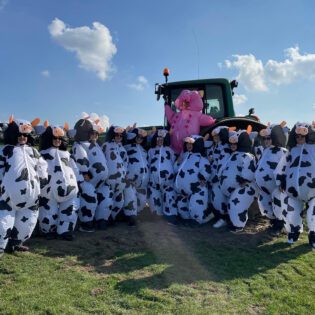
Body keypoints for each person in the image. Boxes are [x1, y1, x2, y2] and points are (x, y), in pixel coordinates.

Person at [0, 117, 48, 256]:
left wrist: (43, 179)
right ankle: (1, 246)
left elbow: (42, 165)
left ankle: (16, 243)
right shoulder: (6, 150)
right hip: (8, 193)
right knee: (4, 222)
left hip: (31, 195)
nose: (22, 137)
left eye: (25, 135)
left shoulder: (33, 151)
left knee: (27, 222)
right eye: (19, 134)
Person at [274, 122, 315, 248]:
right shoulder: (292, 150)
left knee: (313, 214)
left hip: (313, 190)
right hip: (293, 191)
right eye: (297, 136)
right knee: (291, 213)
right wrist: (280, 180)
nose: (300, 139)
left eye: (303, 136)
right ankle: (294, 232)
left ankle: (313, 235)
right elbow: (282, 166)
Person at [38, 124, 80, 240]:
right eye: (54, 138)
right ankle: (48, 230)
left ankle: (65, 231)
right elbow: (39, 168)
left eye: (60, 139)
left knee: (69, 210)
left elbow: (74, 168)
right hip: (49, 190)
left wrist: (79, 181)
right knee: (48, 212)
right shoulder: (43, 154)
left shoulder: (67, 154)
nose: (57, 141)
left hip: (70, 189)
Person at [213, 127, 257, 233]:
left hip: (241, 187)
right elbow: (223, 167)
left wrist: (245, 179)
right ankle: (226, 219)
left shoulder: (247, 156)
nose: (232, 146)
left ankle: (238, 225)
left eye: (235, 144)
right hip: (227, 188)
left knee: (235, 204)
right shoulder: (231, 155)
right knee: (219, 199)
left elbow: (249, 169)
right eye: (231, 144)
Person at [255, 122, 288, 236]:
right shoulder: (266, 150)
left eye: (269, 138)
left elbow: (286, 168)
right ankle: (274, 222)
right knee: (265, 205)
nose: (266, 141)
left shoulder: (283, 151)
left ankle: (279, 226)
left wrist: (283, 182)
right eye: (265, 139)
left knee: (279, 205)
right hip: (264, 188)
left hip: (276, 187)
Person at [175, 135, 212, 224]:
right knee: (182, 207)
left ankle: (198, 220)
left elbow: (206, 168)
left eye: (191, 143)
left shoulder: (201, 158)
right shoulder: (185, 155)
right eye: (187, 143)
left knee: (196, 206)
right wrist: (177, 162)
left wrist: (203, 177)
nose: (189, 145)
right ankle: (187, 218)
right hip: (183, 192)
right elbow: (176, 169)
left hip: (197, 190)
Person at [103, 126, 135, 225]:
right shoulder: (106, 145)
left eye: (121, 135)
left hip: (121, 181)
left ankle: (113, 218)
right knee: (107, 200)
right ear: (113, 135)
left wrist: (125, 175)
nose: (118, 137)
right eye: (117, 135)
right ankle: (104, 219)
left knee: (119, 201)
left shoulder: (122, 149)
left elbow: (125, 163)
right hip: (109, 180)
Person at [147, 129, 177, 223]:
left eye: (162, 138)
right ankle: (157, 215)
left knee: (169, 197)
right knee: (154, 199)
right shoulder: (151, 151)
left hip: (167, 182)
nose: (160, 140)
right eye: (158, 138)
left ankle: (170, 215)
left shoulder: (170, 151)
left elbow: (173, 163)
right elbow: (148, 164)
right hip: (154, 182)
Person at [124, 127, 149, 216]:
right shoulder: (126, 147)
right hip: (130, 180)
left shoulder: (144, 150)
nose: (139, 139)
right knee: (130, 198)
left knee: (142, 200)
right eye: (138, 137)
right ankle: (131, 216)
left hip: (143, 182)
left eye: (141, 138)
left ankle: (137, 213)